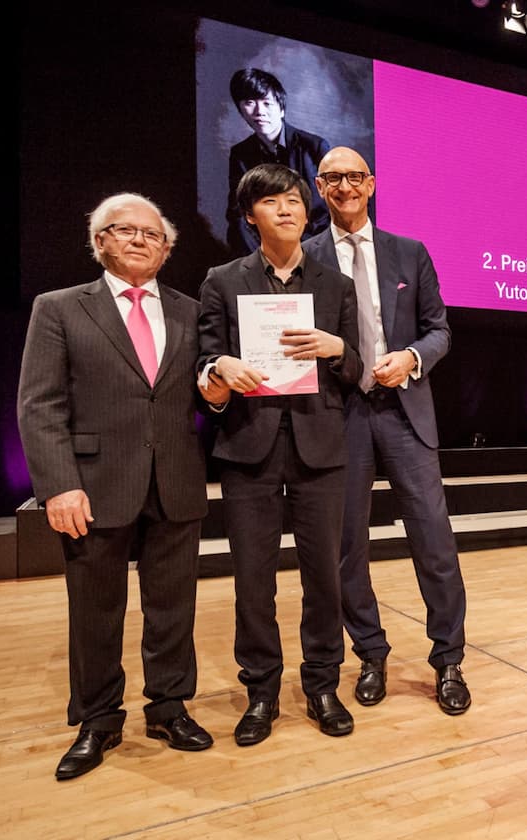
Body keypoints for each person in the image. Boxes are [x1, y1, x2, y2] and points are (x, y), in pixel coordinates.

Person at [17, 193, 229, 781]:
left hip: (176, 481)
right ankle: (98, 719)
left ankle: (168, 706)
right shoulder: (58, 308)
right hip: (92, 486)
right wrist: (58, 485)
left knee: (172, 608)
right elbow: (39, 404)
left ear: (167, 249)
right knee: (94, 610)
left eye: (151, 234)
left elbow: (203, 395)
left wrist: (217, 393)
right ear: (99, 241)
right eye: (124, 230)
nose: (138, 239)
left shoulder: (191, 312)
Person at [197, 164, 364, 744]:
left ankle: (322, 685)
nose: (287, 209)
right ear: (251, 216)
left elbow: (356, 371)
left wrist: (338, 347)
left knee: (324, 578)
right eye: (272, 203)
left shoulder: (335, 285)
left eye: (294, 200)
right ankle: (262, 692)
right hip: (249, 448)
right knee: (253, 581)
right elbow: (206, 362)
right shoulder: (222, 280)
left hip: (322, 446)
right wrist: (219, 370)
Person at [306, 147, 471, 715]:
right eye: (333, 178)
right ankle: (370, 654)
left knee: (434, 542)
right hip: (340, 416)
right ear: (320, 187)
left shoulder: (410, 252)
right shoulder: (307, 257)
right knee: (347, 549)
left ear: (371, 185)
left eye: (355, 177)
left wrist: (410, 357)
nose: (345, 186)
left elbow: (440, 330)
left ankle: (449, 660)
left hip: (404, 411)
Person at [225, 68, 331, 254]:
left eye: (267, 103)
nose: (259, 111)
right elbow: (237, 211)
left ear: (281, 109)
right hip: (264, 246)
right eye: (249, 103)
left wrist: (298, 248)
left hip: (311, 242)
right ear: (240, 109)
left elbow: (328, 211)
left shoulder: (314, 146)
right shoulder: (241, 153)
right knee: (238, 228)